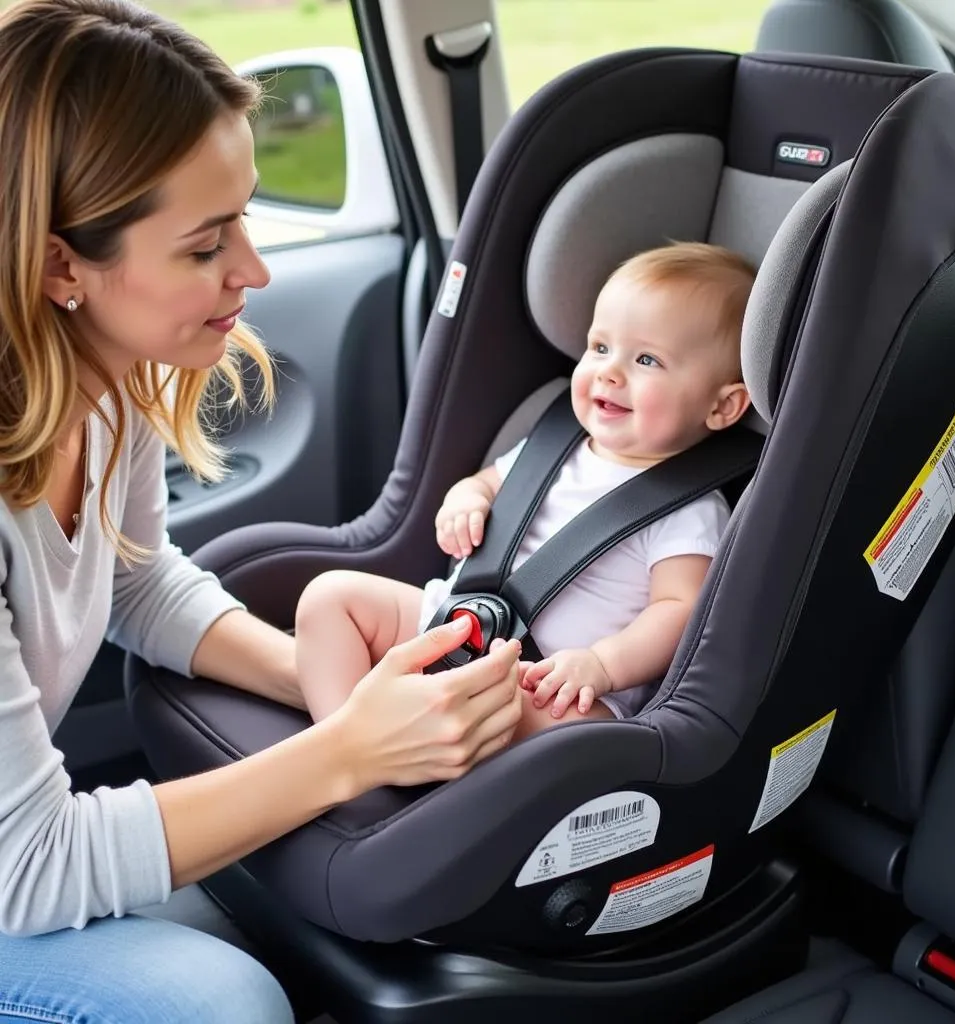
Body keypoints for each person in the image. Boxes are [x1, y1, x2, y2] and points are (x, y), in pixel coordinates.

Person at [0, 0, 523, 1020]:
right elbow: (30, 864)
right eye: (205, 246)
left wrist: (330, 680)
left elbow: (138, 582)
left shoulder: (105, 389)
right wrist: (349, 753)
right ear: (64, 265)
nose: (254, 269)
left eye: (246, 214)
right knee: (228, 1005)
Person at [295, 242, 754, 736]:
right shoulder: (555, 446)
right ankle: (341, 741)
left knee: (512, 721)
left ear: (723, 407)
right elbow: (489, 483)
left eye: (647, 359)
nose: (610, 371)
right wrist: (466, 499)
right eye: (599, 348)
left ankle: (390, 752)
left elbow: (680, 611)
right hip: (452, 626)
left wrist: (602, 665)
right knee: (328, 598)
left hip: (553, 685)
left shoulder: (691, 509)